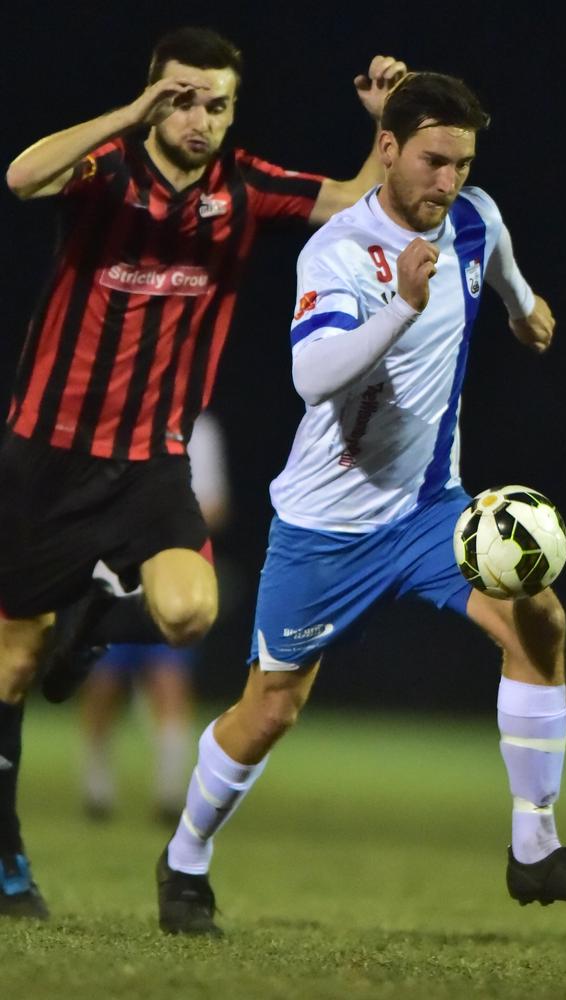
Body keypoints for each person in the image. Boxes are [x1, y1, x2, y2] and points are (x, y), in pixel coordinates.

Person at [155, 71, 566, 936]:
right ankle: (185, 858)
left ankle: (535, 848)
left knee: (541, 620)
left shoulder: (474, 217)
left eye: (461, 162)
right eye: (432, 160)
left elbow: (511, 285)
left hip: (429, 513)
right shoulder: (339, 251)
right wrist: (402, 308)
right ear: (388, 148)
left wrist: (527, 311)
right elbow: (312, 377)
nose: (447, 180)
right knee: (270, 710)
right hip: (323, 530)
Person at [0, 25, 407, 919]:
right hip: (46, 455)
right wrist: (127, 116)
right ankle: (7, 860)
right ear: (155, 97)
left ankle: (97, 612)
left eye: (216, 103)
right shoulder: (104, 167)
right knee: (12, 668)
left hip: (152, 462)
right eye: (181, 99)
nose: (200, 118)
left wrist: (386, 132)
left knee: (191, 613)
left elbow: (350, 201)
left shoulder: (244, 187)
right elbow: (21, 178)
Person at [81, 411, 230, 823]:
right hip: (112, 574)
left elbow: (215, 504)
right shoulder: (113, 420)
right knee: (104, 682)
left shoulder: (199, 429)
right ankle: (98, 786)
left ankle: (168, 794)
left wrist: (168, 525)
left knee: (170, 678)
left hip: (172, 574)